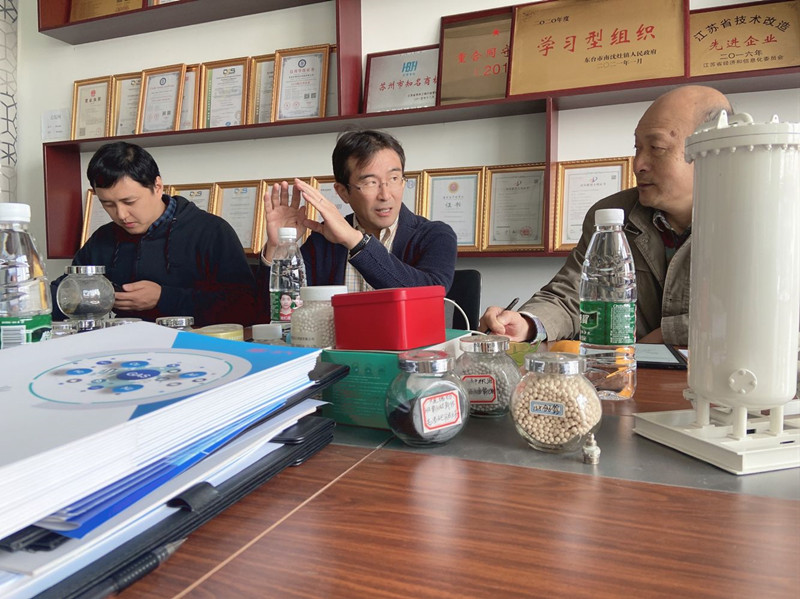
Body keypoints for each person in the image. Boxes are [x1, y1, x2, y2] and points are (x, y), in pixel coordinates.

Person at [479, 85, 733, 346]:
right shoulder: (612, 217)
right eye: (637, 148)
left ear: (712, 150)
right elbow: (573, 295)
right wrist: (528, 323)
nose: (638, 164)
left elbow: (745, 315)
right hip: (622, 369)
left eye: (656, 147)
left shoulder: (753, 219)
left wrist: (664, 336)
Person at [51, 142, 258, 326]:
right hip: (124, 348)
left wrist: (163, 297)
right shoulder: (103, 238)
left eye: (129, 202)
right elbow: (62, 293)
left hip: (195, 348)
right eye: (108, 204)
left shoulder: (211, 231)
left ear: (157, 187)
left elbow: (246, 307)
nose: (121, 215)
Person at [259, 129, 458, 293]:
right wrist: (277, 248)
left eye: (394, 179)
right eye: (370, 182)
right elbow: (281, 309)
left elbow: (429, 293)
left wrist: (355, 241)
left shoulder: (434, 235)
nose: (385, 195)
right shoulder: (323, 240)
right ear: (343, 192)